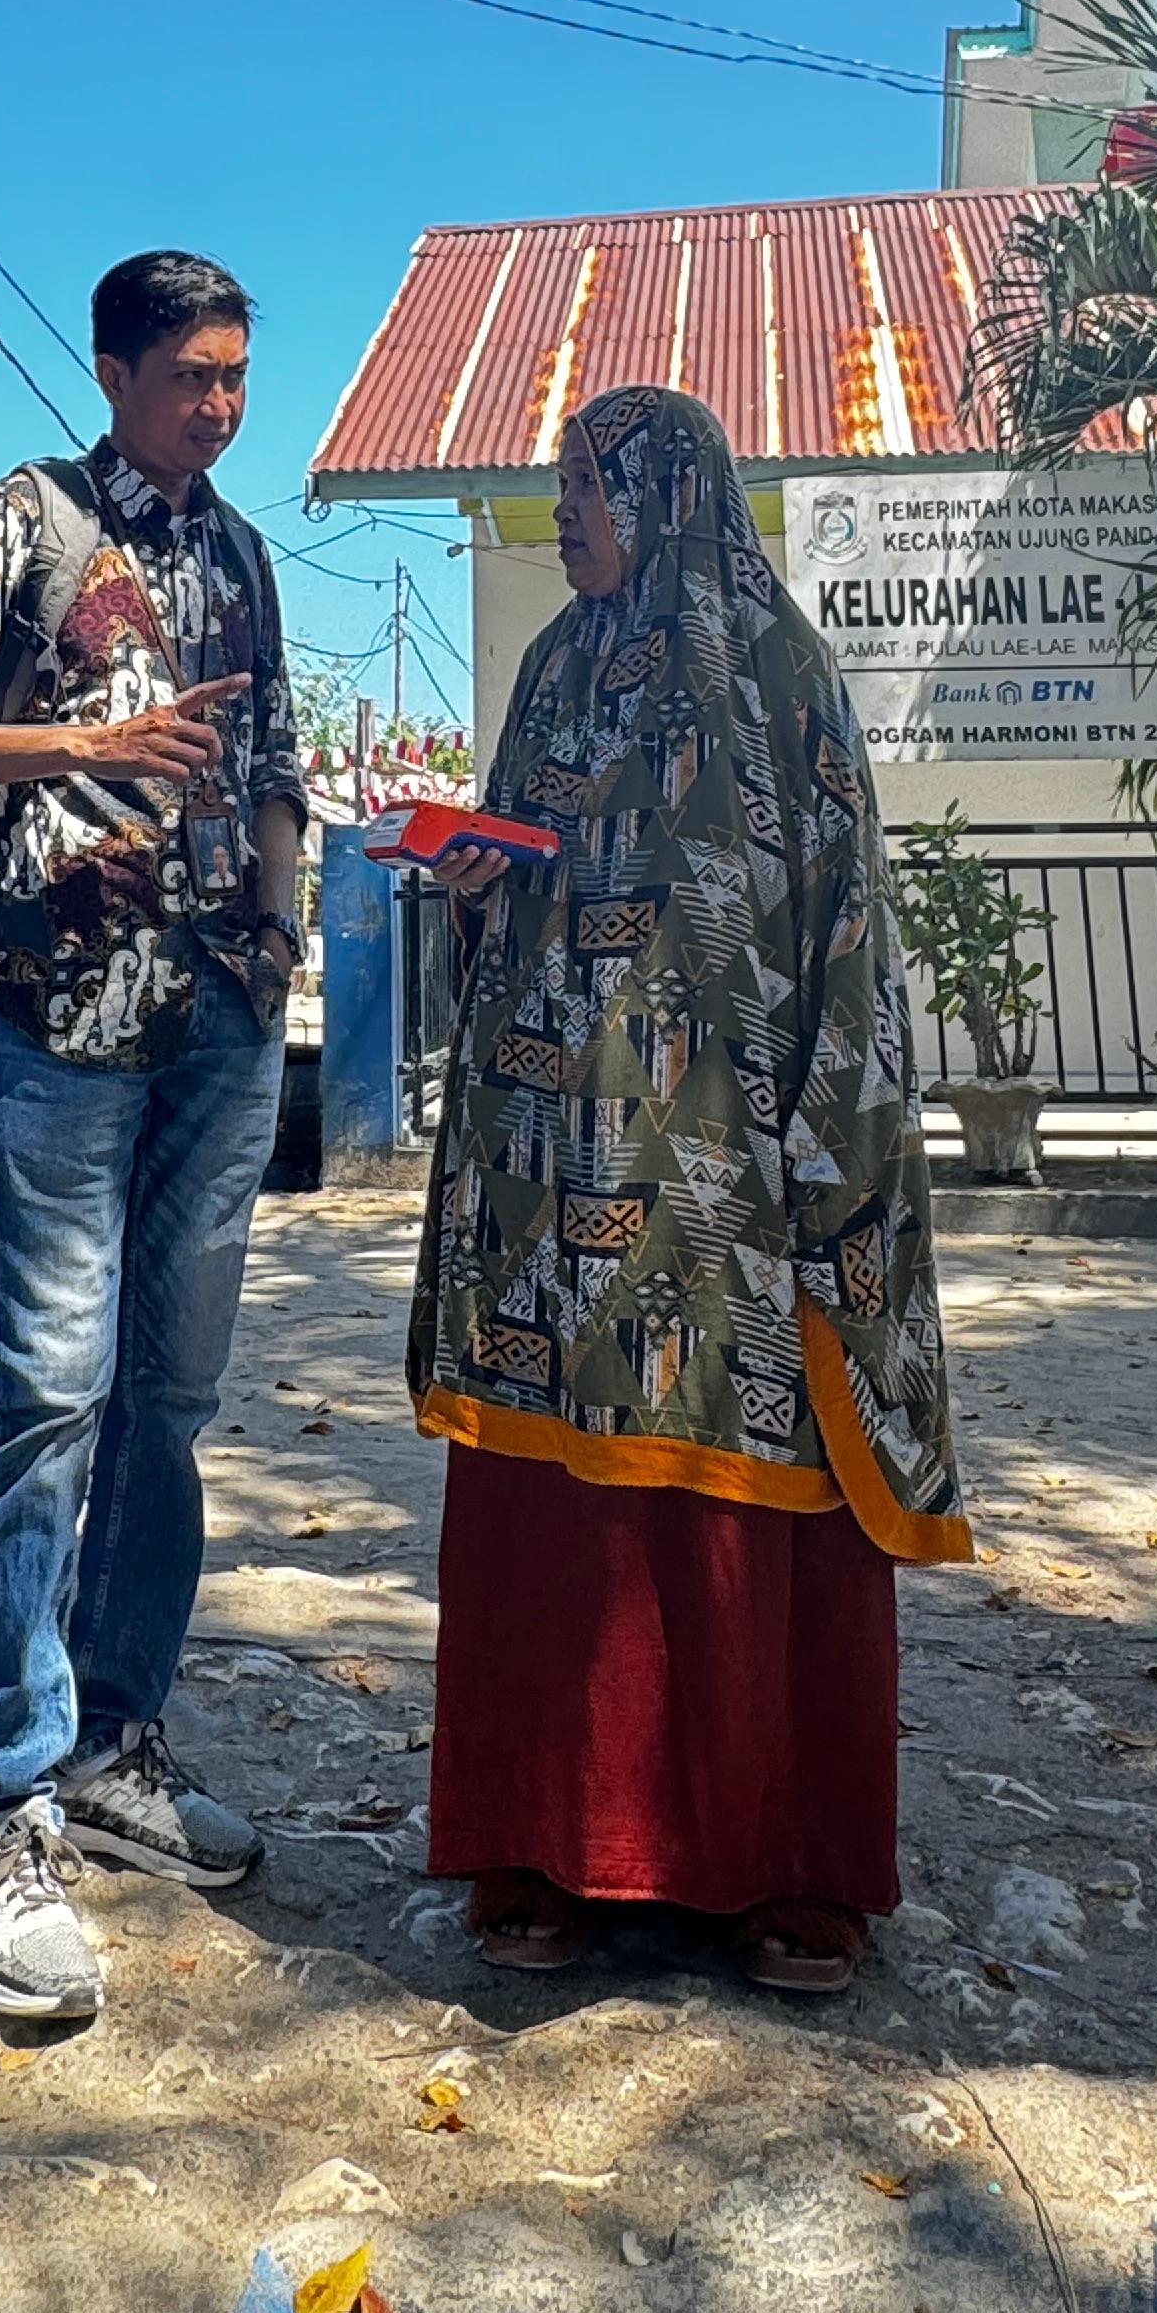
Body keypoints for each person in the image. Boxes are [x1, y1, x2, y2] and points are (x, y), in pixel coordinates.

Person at [407, 383, 968, 1990]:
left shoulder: (783, 666)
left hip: (729, 1171)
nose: (565, 509)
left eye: (586, 483)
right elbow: (520, 874)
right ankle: (543, 1848)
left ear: (667, 492)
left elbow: (845, 915)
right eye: (562, 481)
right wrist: (471, 886)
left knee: (750, 1498)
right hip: (551, 1180)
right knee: (556, 1518)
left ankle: (785, 1873)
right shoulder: (552, 669)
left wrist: (829, 1149)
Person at [0, 250, 307, 2027]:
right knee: (45, 1394)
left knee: (172, 1398)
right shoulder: (25, 523)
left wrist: (282, 932)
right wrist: (84, 741)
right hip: (64, 1026)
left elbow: (277, 763)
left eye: (235, 374)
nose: (218, 403)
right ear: (117, 369)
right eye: (191, 373)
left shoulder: (247, 558)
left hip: (217, 1024)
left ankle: (119, 1740)